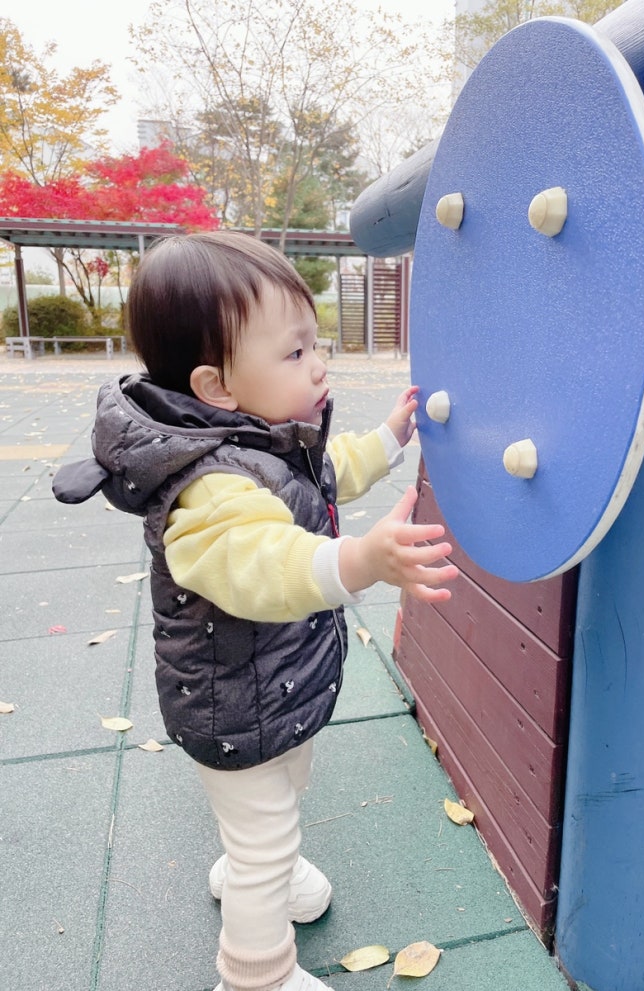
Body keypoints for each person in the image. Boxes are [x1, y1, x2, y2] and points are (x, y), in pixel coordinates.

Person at [52, 230, 458, 991]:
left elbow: (323, 476)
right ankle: (255, 976)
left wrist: (390, 438)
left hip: (270, 685)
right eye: (295, 352)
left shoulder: (260, 440)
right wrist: (361, 559)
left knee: (278, 796)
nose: (319, 362)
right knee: (263, 821)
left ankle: (251, 858)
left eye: (316, 343)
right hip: (232, 699)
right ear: (217, 385)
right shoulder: (208, 487)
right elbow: (262, 566)